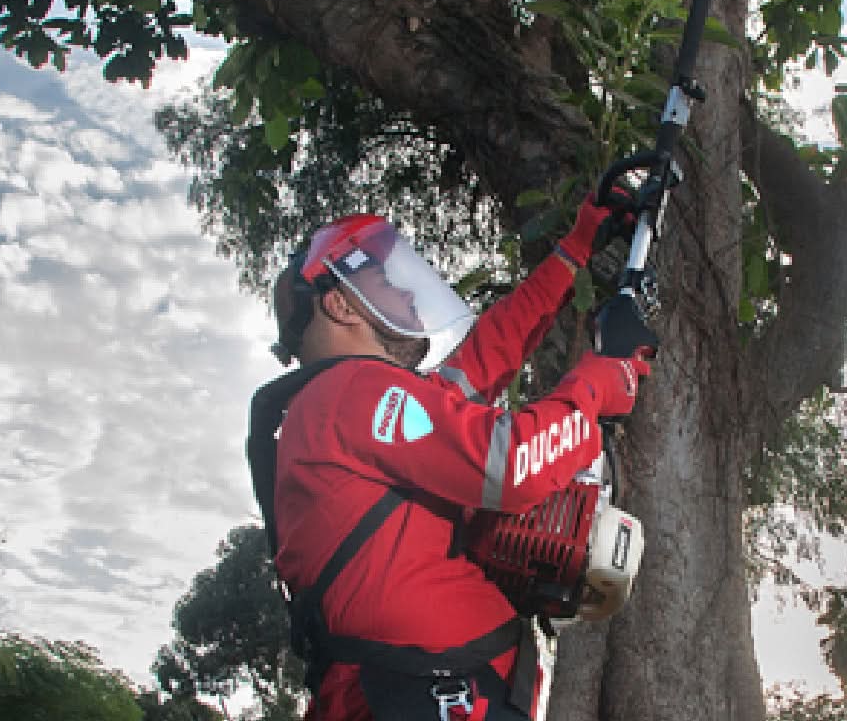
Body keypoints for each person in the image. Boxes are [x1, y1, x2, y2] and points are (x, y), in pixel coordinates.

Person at [248, 198, 652, 721]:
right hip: (420, 694)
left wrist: (574, 250)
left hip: (412, 692)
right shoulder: (352, 390)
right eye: (383, 280)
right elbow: (510, 462)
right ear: (341, 305)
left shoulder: (345, 406)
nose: (406, 294)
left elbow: (487, 357)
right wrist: (598, 384)